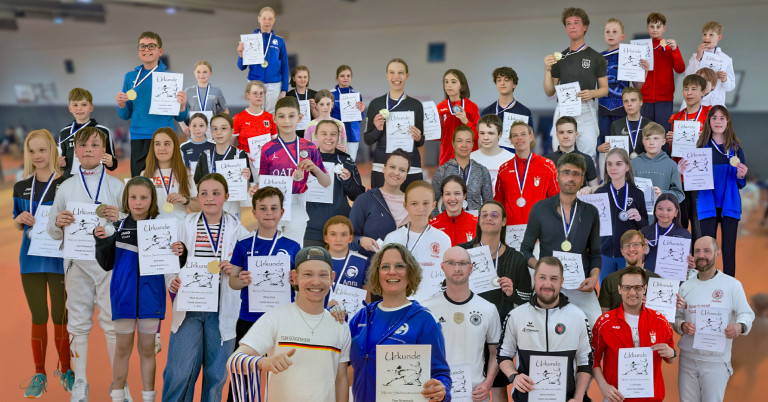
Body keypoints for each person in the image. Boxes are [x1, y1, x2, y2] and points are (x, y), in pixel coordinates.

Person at [47, 127, 126, 401]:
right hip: (77, 264)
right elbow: (52, 229)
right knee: (78, 323)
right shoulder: (66, 187)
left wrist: (119, 218)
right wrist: (58, 223)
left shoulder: (117, 186)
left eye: (95, 145)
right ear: (75, 152)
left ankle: (119, 384)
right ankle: (80, 381)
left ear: (104, 151)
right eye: (83, 146)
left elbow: (130, 227)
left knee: (113, 324)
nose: (89, 149)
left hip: (108, 265)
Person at [94, 177, 187, 402]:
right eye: (133, 197)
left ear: (152, 199)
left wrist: (181, 251)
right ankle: (118, 396)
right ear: (126, 199)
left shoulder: (162, 228)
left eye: (143, 197)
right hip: (123, 298)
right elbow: (106, 263)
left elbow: (175, 263)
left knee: (147, 350)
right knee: (122, 349)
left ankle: (148, 398)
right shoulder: (116, 227)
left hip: (151, 298)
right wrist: (101, 241)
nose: (138, 202)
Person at [162, 173, 250, 402]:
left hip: (222, 309)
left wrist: (234, 269)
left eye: (216, 193)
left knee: (216, 376)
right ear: (198, 197)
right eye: (204, 193)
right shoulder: (184, 226)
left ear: (226, 196)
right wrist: (172, 280)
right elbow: (170, 261)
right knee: (179, 371)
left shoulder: (240, 232)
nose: (210, 198)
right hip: (189, 307)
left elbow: (246, 272)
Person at [227, 246, 351, 401]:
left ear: (332, 278)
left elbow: (341, 379)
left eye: (323, 275)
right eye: (308, 274)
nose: (315, 281)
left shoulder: (340, 325)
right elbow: (233, 361)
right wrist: (263, 362)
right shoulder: (274, 318)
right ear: (294, 277)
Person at [224, 186, 301, 402]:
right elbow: (232, 281)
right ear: (254, 212)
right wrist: (241, 280)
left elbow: (299, 286)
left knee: (284, 375)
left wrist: (295, 282)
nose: (269, 213)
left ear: (282, 212)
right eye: (263, 208)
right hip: (250, 319)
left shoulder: (293, 247)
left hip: (283, 320)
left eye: (274, 208)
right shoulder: (243, 245)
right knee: (243, 376)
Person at [348, 243, 451, 401]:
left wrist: (441, 390)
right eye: (385, 267)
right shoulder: (363, 316)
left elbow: (440, 373)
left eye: (399, 266)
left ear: (410, 273)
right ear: (377, 273)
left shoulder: (424, 320)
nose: (392, 272)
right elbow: (340, 362)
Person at [13, 129, 72, 398]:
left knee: (61, 316)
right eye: (32, 151)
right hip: (30, 261)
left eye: (42, 150)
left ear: (52, 151)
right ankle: (39, 373)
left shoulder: (67, 184)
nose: (37, 156)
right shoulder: (21, 187)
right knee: (38, 316)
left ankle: (66, 369)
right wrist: (19, 221)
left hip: (59, 259)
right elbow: (18, 222)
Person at [459, 200, 532, 401]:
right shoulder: (463, 253)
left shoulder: (516, 258)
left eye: (494, 215)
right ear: (478, 220)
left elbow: (528, 298)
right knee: (465, 386)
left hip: (499, 331)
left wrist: (512, 292)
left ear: (504, 221)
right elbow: (445, 286)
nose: (489, 218)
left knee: (499, 388)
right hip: (466, 328)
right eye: (484, 214)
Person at [521, 152, 602, 326]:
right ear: (557, 176)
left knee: (597, 325)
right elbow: (525, 250)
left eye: (576, 174)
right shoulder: (540, 209)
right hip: (548, 284)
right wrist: (542, 269)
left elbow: (595, 253)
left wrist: (594, 278)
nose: (570, 178)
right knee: (537, 328)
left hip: (580, 286)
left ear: (582, 179)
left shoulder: (591, 212)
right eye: (566, 172)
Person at [497, 257, 593, 402]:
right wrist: (513, 376)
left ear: (562, 281)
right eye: (542, 277)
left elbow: (585, 361)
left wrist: (578, 398)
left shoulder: (578, 316)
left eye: (554, 278)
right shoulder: (516, 316)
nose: (547, 284)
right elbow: (504, 355)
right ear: (534, 279)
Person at [676, 236, 755, 402]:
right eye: (697, 251)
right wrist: (682, 325)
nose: (701, 255)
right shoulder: (686, 286)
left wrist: (739, 326)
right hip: (687, 359)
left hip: (716, 361)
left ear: (717, 253)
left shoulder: (732, 285)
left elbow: (747, 314)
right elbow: (677, 316)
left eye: (707, 251)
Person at [422, 247, 501, 402]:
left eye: (462, 263)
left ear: (471, 267)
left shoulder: (488, 309)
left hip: (475, 395)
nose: (457, 268)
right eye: (451, 263)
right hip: (438, 394)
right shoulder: (427, 309)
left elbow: (495, 353)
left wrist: (488, 383)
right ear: (442, 267)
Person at [592, 266, 677, 402]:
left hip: (651, 399)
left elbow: (670, 359)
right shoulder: (604, 322)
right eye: (627, 287)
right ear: (619, 289)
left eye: (637, 287)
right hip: (616, 398)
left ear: (645, 288)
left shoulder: (660, 321)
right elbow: (593, 359)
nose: (632, 293)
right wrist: (604, 387)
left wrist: (672, 353)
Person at [683, 106, 747, 277]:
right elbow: (694, 181)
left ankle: (729, 285)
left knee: (728, 249)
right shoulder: (700, 149)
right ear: (709, 122)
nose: (718, 121)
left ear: (728, 122)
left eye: (722, 118)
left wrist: (741, 176)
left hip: (730, 205)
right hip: (707, 204)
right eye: (714, 118)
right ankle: (705, 281)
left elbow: (741, 183)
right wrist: (684, 172)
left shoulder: (736, 149)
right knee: (706, 249)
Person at [260, 96, 331, 247]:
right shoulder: (267, 149)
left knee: (294, 251)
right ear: (274, 119)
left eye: (291, 116)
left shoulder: (309, 147)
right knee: (271, 250)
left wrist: (315, 169)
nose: (286, 121)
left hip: (297, 206)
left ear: (299, 117)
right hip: (272, 206)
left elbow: (326, 182)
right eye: (281, 116)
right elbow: (262, 182)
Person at [116, 31, 188, 177]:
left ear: (160, 51)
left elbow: (180, 117)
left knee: (164, 182)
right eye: (142, 46)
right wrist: (121, 104)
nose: (146, 49)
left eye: (151, 46)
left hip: (164, 137)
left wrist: (182, 106)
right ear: (139, 51)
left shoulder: (171, 78)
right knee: (139, 181)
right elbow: (124, 115)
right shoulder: (130, 77)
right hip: (138, 137)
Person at [543, 7, 608, 160]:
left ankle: (588, 177)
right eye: (568, 23)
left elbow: (604, 89)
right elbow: (549, 91)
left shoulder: (596, 57)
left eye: (576, 22)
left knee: (588, 154)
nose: (572, 26)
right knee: (560, 154)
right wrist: (547, 70)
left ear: (585, 27)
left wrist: (592, 93)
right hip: (564, 108)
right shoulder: (560, 57)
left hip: (586, 108)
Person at [383, 180, 452, 300]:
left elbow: (448, 275)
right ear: (405, 205)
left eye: (425, 203)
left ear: (433, 205)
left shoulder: (443, 239)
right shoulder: (392, 238)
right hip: (401, 303)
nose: (421, 208)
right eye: (414, 203)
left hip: (434, 304)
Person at [364, 58, 425, 190]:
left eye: (400, 72)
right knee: (381, 202)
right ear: (387, 75)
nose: (396, 77)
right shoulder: (376, 104)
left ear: (407, 76)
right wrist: (378, 129)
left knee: (411, 201)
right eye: (392, 72)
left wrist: (418, 137)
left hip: (410, 166)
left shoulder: (416, 105)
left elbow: (421, 142)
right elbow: (368, 139)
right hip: (382, 165)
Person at [304, 120, 364, 247]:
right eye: (324, 134)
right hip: (311, 230)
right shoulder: (306, 161)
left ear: (338, 137)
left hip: (340, 229)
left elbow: (359, 196)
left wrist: (348, 181)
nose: (329, 138)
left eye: (333, 134)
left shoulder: (347, 161)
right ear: (316, 136)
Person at [592, 148, 648, 282]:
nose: (613, 168)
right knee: (606, 290)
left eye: (618, 164)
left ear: (627, 167)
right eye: (609, 164)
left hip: (629, 253)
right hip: (604, 252)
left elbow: (645, 224)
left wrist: (639, 218)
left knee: (628, 288)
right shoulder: (599, 193)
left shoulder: (637, 194)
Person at [667, 74, 711, 240]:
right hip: (682, 176)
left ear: (703, 92)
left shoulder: (709, 115)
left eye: (694, 89)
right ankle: (684, 256)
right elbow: (674, 152)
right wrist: (670, 141)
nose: (689, 93)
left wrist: (705, 137)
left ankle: (699, 255)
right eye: (686, 89)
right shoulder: (677, 118)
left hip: (700, 176)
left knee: (698, 221)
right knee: (681, 221)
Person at [495, 121, 558, 226]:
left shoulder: (547, 166)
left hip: (539, 229)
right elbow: (498, 202)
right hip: (511, 230)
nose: (519, 138)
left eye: (523, 134)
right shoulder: (504, 169)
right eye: (515, 135)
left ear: (531, 137)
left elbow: (556, 200)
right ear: (511, 140)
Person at [349, 150, 409, 257]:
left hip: (405, 264)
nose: (396, 173)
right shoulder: (365, 200)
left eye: (402, 170)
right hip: (371, 264)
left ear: (406, 175)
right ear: (384, 169)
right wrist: (361, 240)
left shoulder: (413, 203)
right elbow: (348, 238)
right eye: (392, 167)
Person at [194, 113, 254, 219]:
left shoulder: (240, 155)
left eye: (223, 128)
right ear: (211, 132)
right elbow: (197, 184)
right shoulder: (204, 156)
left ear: (232, 131)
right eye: (215, 129)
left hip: (232, 210)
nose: (219, 132)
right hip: (209, 209)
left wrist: (247, 179)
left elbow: (248, 189)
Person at [236, 6, 289, 114]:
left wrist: (284, 89)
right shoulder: (250, 39)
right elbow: (241, 67)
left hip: (274, 84)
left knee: (271, 114)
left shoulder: (279, 41)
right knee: (256, 113)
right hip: (255, 82)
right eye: (264, 18)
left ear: (274, 20)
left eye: (270, 19)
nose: (267, 21)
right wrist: (241, 56)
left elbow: (285, 66)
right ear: (259, 19)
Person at [431, 125, 492, 213]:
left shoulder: (482, 171)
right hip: (450, 219)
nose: (464, 145)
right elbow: (432, 204)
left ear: (472, 144)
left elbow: (489, 204)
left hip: (474, 220)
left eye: (468, 141)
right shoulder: (442, 171)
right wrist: (440, 220)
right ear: (453, 143)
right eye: (459, 141)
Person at [640, 12, 685, 131]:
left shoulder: (670, 48)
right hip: (645, 98)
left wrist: (675, 50)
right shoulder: (641, 49)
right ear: (647, 28)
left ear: (664, 28)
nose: (655, 29)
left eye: (658, 26)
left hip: (665, 98)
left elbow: (680, 69)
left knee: (663, 132)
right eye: (652, 26)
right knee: (646, 133)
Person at [142, 128, 200, 219]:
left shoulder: (184, 173)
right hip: (153, 226)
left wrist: (185, 200)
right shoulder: (145, 174)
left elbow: (198, 207)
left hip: (179, 225)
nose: (162, 148)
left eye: (167, 144)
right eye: (157, 144)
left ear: (175, 147)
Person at [60, 88, 118, 177]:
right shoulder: (65, 132)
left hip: (95, 179)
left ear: (91, 107)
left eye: (84, 104)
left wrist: (110, 163)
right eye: (75, 105)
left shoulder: (103, 131)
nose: (79, 108)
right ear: (70, 108)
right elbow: (63, 162)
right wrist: (62, 164)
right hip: (70, 180)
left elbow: (113, 164)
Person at [598, 230, 660, 312]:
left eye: (635, 245)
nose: (631, 249)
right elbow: (604, 314)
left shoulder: (656, 280)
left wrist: (653, 306)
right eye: (627, 245)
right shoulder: (609, 281)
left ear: (643, 249)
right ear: (622, 251)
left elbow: (664, 315)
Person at [630, 121, 684, 208]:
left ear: (663, 141)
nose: (651, 142)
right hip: (637, 212)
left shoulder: (672, 165)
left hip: (662, 213)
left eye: (656, 138)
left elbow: (679, 194)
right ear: (642, 141)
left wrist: (662, 193)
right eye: (647, 138)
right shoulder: (633, 164)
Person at [682, 21, 735, 108]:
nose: (707, 37)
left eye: (711, 35)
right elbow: (687, 76)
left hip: (715, 103)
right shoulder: (695, 56)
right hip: (695, 104)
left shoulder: (726, 59)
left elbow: (731, 87)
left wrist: (725, 79)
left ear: (719, 37)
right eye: (704, 34)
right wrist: (698, 57)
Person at [437, 69, 480, 165]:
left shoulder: (472, 107)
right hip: (446, 159)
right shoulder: (439, 107)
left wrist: (466, 121)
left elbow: (477, 135)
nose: (449, 85)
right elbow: (437, 136)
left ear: (462, 85)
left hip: (469, 159)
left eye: (453, 82)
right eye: (446, 82)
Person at [641, 195, 691, 274]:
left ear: (676, 212)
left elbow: (686, 262)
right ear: (655, 210)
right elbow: (640, 261)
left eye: (669, 210)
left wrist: (691, 263)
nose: (664, 213)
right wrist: (642, 249)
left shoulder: (684, 235)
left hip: (674, 279)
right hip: (650, 278)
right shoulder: (645, 232)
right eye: (660, 209)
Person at [323, 216, 371, 298]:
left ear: (350, 238)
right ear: (326, 238)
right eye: (333, 234)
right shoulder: (316, 260)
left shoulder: (363, 262)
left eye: (343, 234)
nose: (338, 239)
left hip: (352, 306)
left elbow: (366, 297)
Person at [599, 87, 653, 160]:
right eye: (626, 101)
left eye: (633, 100)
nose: (629, 104)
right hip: (623, 164)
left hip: (645, 164)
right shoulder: (616, 125)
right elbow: (613, 151)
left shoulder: (650, 125)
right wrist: (602, 149)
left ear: (641, 102)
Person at [545, 116, 598, 188]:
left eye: (570, 132)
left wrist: (589, 189)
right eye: (561, 132)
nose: (565, 136)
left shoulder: (587, 159)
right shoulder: (547, 161)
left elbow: (595, 188)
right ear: (557, 135)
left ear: (576, 135)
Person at [180, 60, 229, 136]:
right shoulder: (188, 91)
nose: (201, 75)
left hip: (211, 131)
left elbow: (226, 111)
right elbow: (179, 110)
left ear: (210, 73)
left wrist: (219, 125)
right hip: (194, 131)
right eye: (198, 72)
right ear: (194, 73)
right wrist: (183, 126)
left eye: (205, 72)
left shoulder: (216, 90)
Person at [480, 67, 534, 133]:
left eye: (506, 80)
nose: (502, 83)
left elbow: (531, 138)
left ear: (514, 84)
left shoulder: (524, 112)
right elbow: (480, 136)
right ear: (496, 84)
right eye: (499, 80)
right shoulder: (487, 112)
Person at [470, 115, 515, 195]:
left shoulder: (512, 159)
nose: (486, 137)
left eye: (491, 133)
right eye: (482, 133)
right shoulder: (470, 158)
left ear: (500, 134)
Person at [429, 175, 477, 246]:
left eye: (457, 193)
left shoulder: (478, 224)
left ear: (464, 195)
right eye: (447, 194)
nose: (452, 198)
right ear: (443, 196)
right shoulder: (431, 226)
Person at [330, 65, 366, 160]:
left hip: (352, 133)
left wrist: (361, 111)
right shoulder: (330, 94)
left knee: (350, 162)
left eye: (348, 76)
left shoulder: (356, 95)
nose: (345, 78)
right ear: (337, 78)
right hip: (336, 134)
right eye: (342, 76)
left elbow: (360, 119)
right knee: (336, 163)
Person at [233, 81, 277, 155]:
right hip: (245, 159)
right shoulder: (238, 118)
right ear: (248, 95)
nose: (259, 96)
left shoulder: (270, 117)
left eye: (261, 93)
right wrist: (243, 156)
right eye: (255, 93)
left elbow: (275, 144)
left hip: (265, 159)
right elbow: (231, 146)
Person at [286, 65, 318, 138]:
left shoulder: (315, 95)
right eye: (299, 77)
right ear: (293, 78)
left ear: (308, 78)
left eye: (305, 77)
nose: (302, 79)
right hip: (294, 133)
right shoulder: (288, 96)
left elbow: (319, 119)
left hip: (312, 133)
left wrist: (313, 109)